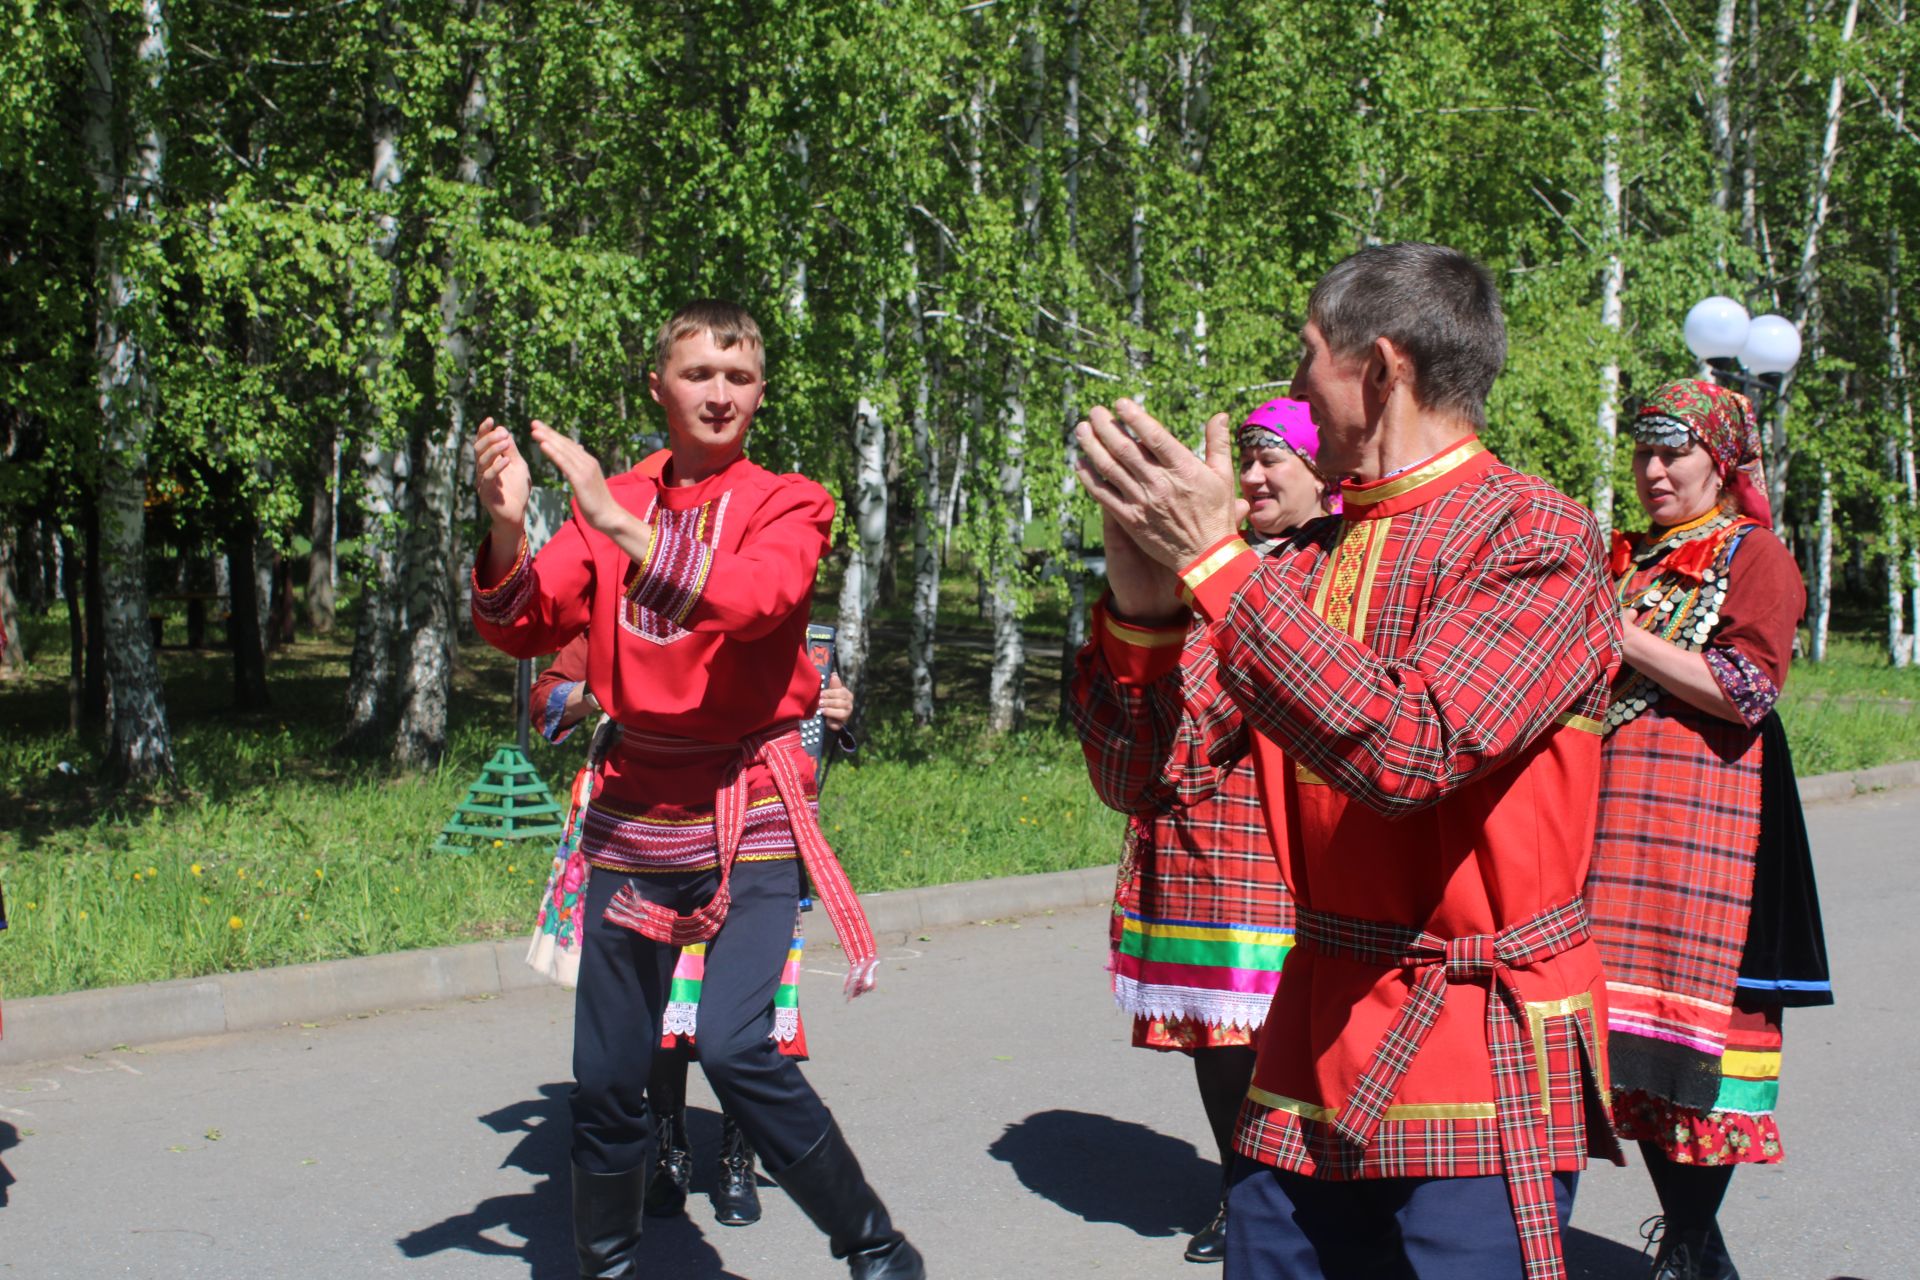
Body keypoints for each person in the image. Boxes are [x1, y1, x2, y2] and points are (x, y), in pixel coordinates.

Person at [1070, 242, 1624, 1280]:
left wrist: (1218, 563)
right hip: (1314, 1024)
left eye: (1305, 359)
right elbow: (1146, 777)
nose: (1290, 393)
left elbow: (1411, 750)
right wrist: (1143, 599)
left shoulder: (1535, 533)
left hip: (1477, 1032)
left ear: (1380, 368)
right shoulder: (1303, 563)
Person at [470, 299, 923, 1280]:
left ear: (760, 391)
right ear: (658, 387)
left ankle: (877, 1245)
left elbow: (754, 602)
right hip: (634, 812)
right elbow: (524, 623)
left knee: (734, 1044)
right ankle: (611, 1264)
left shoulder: (789, 500)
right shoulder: (613, 502)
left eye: (739, 375)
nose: (719, 393)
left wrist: (620, 524)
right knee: (604, 1073)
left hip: (747, 798)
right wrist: (507, 532)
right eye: (699, 373)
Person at [1584, 379, 1831, 1280]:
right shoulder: (1634, 558)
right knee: (1635, 1037)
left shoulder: (1754, 555)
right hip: (1616, 822)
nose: (1653, 471)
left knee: (1708, 1033)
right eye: (1644, 453)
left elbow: (1748, 688)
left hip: (1713, 822)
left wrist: (1621, 637)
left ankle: (1690, 1240)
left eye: (1672, 453)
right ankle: (1694, 1245)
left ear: (1719, 462)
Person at [1109, 398, 1339, 1265]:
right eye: (1243, 461)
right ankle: (1239, 1191)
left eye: (1273, 460)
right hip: (1189, 823)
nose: (1252, 478)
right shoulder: (1209, 558)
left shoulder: (1337, 559)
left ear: (1320, 470)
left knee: (1288, 1029)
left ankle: (1304, 1195)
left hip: (1280, 825)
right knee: (1215, 1033)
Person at [531, 632, 854, 1228]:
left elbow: (816, 717)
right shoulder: (619, 599)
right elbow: (548, 699)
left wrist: (839, 712)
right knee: (661, 1011)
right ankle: (669, 1150)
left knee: (742, 1023)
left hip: (755, 840)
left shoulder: (770, 603)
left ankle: (737, 1156)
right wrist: (596, 693)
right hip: (654, 838)